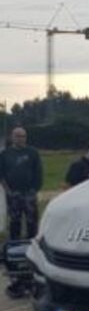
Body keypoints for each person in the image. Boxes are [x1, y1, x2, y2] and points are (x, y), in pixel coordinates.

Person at [0, 127, 43, 298]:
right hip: (14, 194)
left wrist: (35, 189)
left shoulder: (32, 152)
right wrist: (8, 190)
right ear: (12, 137)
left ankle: (34, 249)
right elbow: (1, 174)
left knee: (32, 222)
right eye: (18, 136)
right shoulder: (5, 154)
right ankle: (16, 251)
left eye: (23, 136)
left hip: (29, 194)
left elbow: (38, 172)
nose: (21, 138)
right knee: (15, 224)